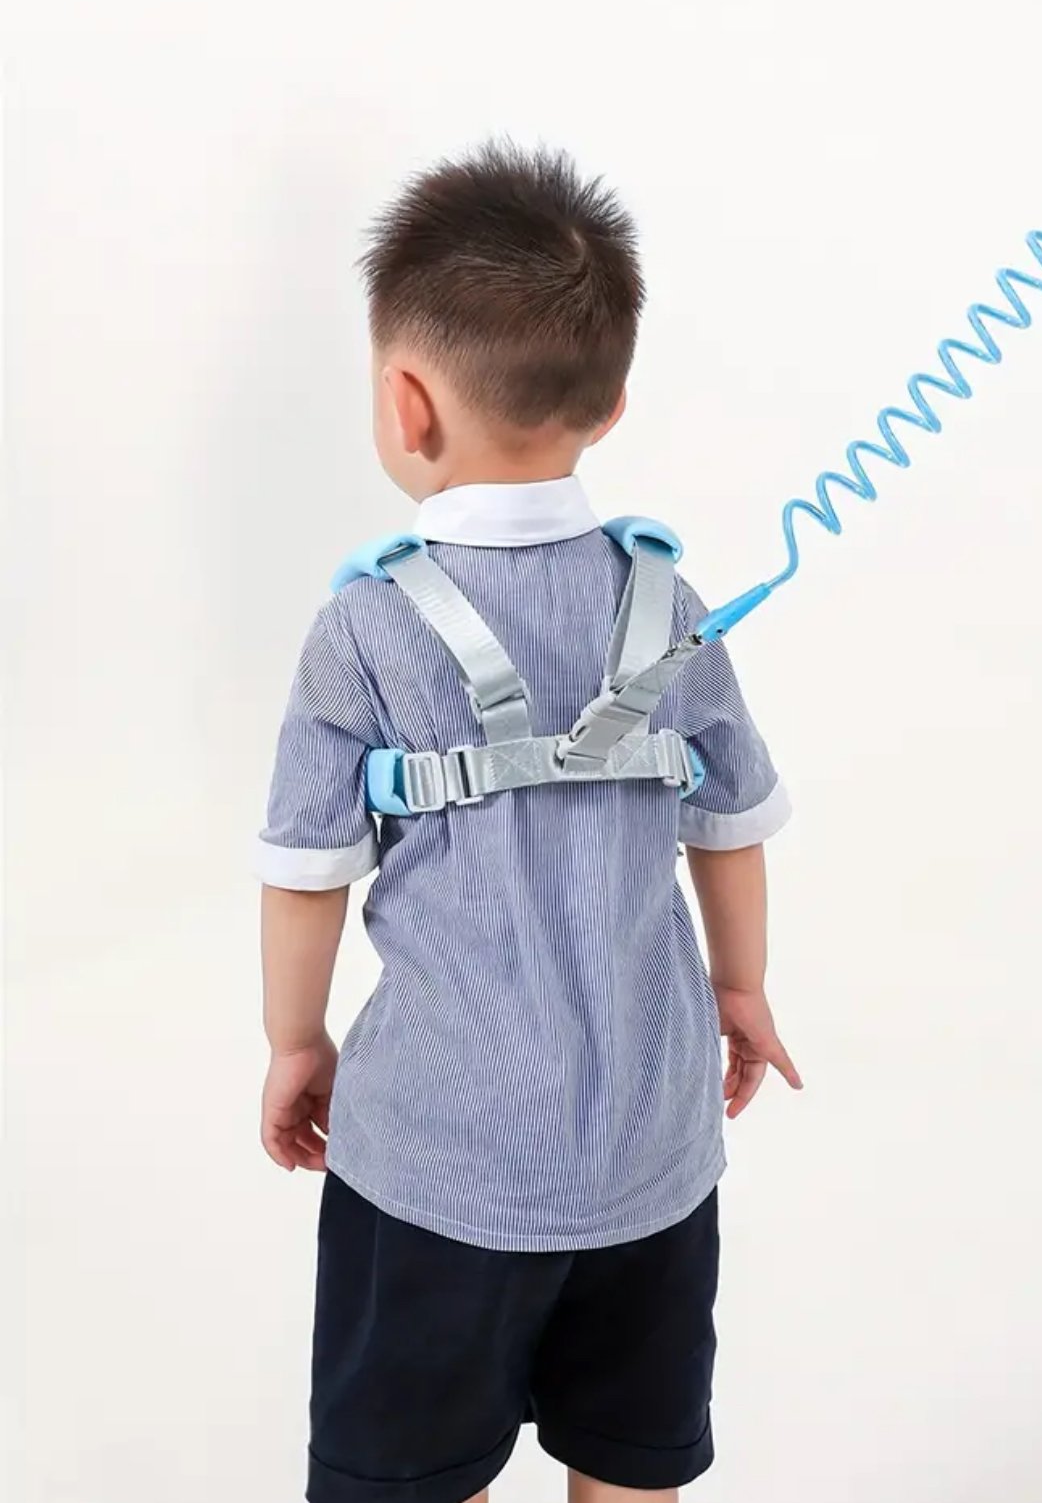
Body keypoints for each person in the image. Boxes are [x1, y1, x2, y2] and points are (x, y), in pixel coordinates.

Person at [255, 141, 800, 1503]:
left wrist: (295, 1041)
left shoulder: (366, 625)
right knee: (630, 1464)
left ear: (405, 401)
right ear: (610, 403)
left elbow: (305, 871)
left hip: (438, 1160)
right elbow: (730, 824)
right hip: (650, 1147)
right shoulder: (667, 604)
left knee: (412, 1478)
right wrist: (740, 990)